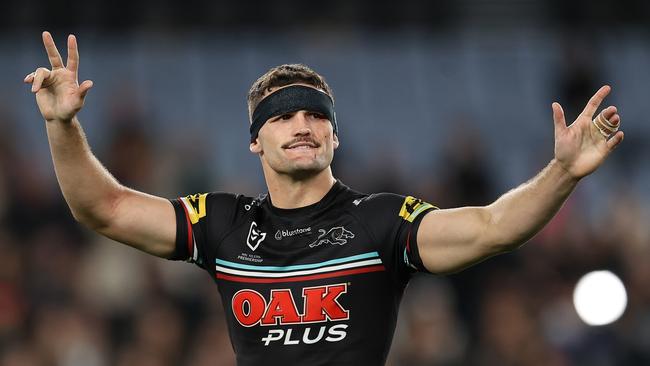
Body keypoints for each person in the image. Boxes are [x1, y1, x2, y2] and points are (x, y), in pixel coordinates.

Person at [24, 31, 624, 366]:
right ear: (256, 141)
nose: (302, 125)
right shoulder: (224, 222)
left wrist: (562, 173)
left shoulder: (383, 221)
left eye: (316, 115)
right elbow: (103, 207)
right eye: (283, 117)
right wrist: (62, 126)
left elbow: (494, 226)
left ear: (335, 135)